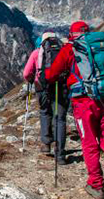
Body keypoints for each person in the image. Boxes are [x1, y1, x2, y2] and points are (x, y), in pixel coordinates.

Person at [44, 21, 104, 199]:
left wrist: (63, 75)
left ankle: (96, 185)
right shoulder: (102, 47)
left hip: (84, 103)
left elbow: (51, 75)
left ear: (71, 34)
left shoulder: (70, 49)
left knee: (89, 142)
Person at [23, 31, 69, 165]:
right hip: (60, 86)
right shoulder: (64, 51)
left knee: (45, 113)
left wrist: (32, 79)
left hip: (42, 87)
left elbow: (26, 73)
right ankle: (60, 154)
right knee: (60, 118)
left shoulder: (37, 52)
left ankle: (46, 145)